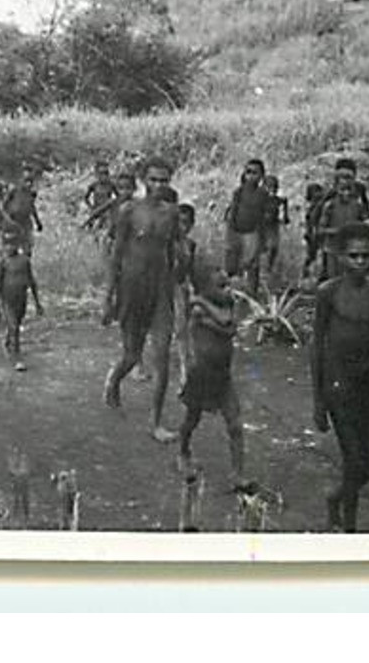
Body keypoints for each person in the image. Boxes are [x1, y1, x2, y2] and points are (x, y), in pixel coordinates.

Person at [311, 222, 369, 533]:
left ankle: (336, 498)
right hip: (337, 386)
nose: (360, 262)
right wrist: (318, 401)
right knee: (353, 461)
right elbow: (316, 347)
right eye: (354, 256)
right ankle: (349, 527)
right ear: (340, 257)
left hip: (368, 387)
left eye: (366, 256)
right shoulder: (328, 293)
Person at [103, 157, 183, 442]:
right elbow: (116, 255)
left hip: (160, 289)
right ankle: (113, 382)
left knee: (161, 355)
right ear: (143, 179)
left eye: (164, 180)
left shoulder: (171, 214)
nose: (159, 185)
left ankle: (156, 422)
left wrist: (179, 290)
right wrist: (108, 297)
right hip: (132, 288)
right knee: (132, 355)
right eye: (154, 179)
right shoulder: (128, 211)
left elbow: (174, 253)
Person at [177, 267, 251, 488]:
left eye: (227, 285)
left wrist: (203, 301)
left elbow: (229, 326)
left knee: (235, 424)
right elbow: (226, 323)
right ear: (206, 289)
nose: (228, 290)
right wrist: (200, 302)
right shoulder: (197, 308)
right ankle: (182, 452)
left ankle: (237, 474)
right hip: (201, 373)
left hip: (222, 375)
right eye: (221, 286)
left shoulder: (214, 304)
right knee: (192, 419)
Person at [0, 228, 43, 372]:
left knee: (17, 323)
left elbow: (32, 281)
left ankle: (9, 341)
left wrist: (38, 303)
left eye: (12, 244)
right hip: (7, 299)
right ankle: (17, 358)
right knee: (14, 327)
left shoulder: (24, 261)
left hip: (21, 298)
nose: (9, 247)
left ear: (17, 245)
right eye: (6, 244)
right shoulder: (2, 263)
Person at [315, 159, 369, 279]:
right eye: (342, 189)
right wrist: (338, 231)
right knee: (333, 279)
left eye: (348, 189)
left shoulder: (358, 206)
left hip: (351, 249)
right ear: (336, 187)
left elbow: (365, 222)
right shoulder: (330, 205)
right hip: (332, 248)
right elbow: (320, 228)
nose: (346, 193)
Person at [223, 159, 270, 295]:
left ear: (261, 176)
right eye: (248, 172)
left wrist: (262, 239)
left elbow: (263, 217)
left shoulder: (263, 194)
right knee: (233, 264)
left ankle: (252, 293)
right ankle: (233, 294)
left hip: (253, 232)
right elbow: (233, 212)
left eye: (254, 173)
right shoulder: (239, 192)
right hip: (236, 231)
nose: (250, 176)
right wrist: (230, 231)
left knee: (252, 264)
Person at [84, 168, 137, 246]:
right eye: (121, 188)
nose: (124, 192)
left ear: (134, 189)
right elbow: (97, 212)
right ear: (117, 189)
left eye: (128, 188)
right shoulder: (113, 202)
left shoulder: (136, 204)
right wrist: (85, 223)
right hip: (112, 237)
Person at [0, 165, 43, 254]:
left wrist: (38, 222)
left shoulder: (31, 193)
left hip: (26, 221)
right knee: (12, 246)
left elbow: (32, 207)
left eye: (30, 182)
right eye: (26, 181)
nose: (28, 184)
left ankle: (25, 263)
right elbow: (3, 205)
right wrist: (7, 219)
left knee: (27, 246)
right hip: (14, 220)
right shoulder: (14, 190)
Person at [259, 173, 289, 288]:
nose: (272, 190)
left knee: (273, 249)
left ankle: (269, 271)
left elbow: (285, 219)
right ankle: (262, 274)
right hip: (262, 227)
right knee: (262, 250)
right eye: (269, 187)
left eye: (274, 187)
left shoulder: (277, 200)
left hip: (273, 227)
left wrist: (285, 209)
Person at [301, 182, 327, 278]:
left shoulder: (322, 205)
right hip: (313, 234)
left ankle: (318, 275)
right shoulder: (312, 207)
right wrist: (308, 232)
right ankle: (306, 276)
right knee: (311, 256)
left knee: (319, 256)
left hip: (320, 233)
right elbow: (310, 221)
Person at [83, 161, 118, 225]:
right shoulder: (94, 185)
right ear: (97, 175)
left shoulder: (111, 185)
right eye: (101, 174)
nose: (104, 176)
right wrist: (90, 207)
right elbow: (86, 198)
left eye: (106, 173)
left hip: (107, 211)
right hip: (96, 209)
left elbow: (119, 197)